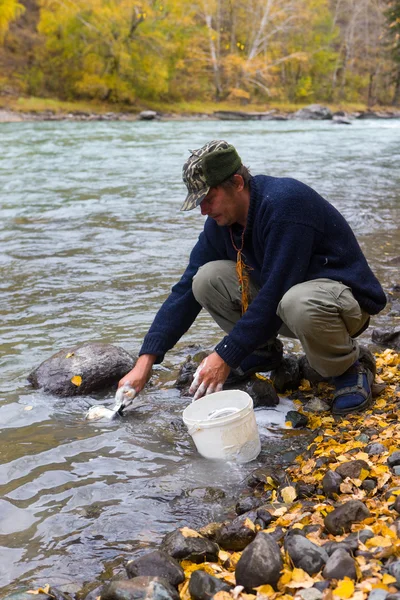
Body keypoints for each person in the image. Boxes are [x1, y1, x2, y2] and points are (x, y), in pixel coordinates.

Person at [119, 140, 386, 414]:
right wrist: (145, 363)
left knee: (297, 301)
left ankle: (348, 366)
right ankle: (261, 351)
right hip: (290, 300)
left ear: (236, 183)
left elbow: (276, 293)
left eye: (208, 199)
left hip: (344, 306)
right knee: (205, 278)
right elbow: (184, 291)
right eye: (199, 202)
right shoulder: (221, 224)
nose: (203, 210)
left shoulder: (285, 206)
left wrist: (224, 355)